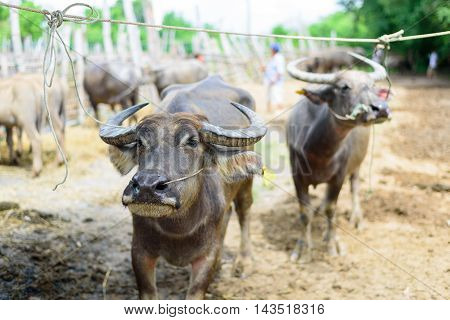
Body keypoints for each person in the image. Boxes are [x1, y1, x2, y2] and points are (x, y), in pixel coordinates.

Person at [263, 43, 285, 112]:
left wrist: (274, 79)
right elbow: (271, 69)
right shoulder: (273, 58)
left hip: (275, 82)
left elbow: (280, 71)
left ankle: (280, 113)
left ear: (273, 50)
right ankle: (269, 111)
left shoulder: (278, 58)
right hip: (270, 81)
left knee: (277, 97)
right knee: (269, 96)